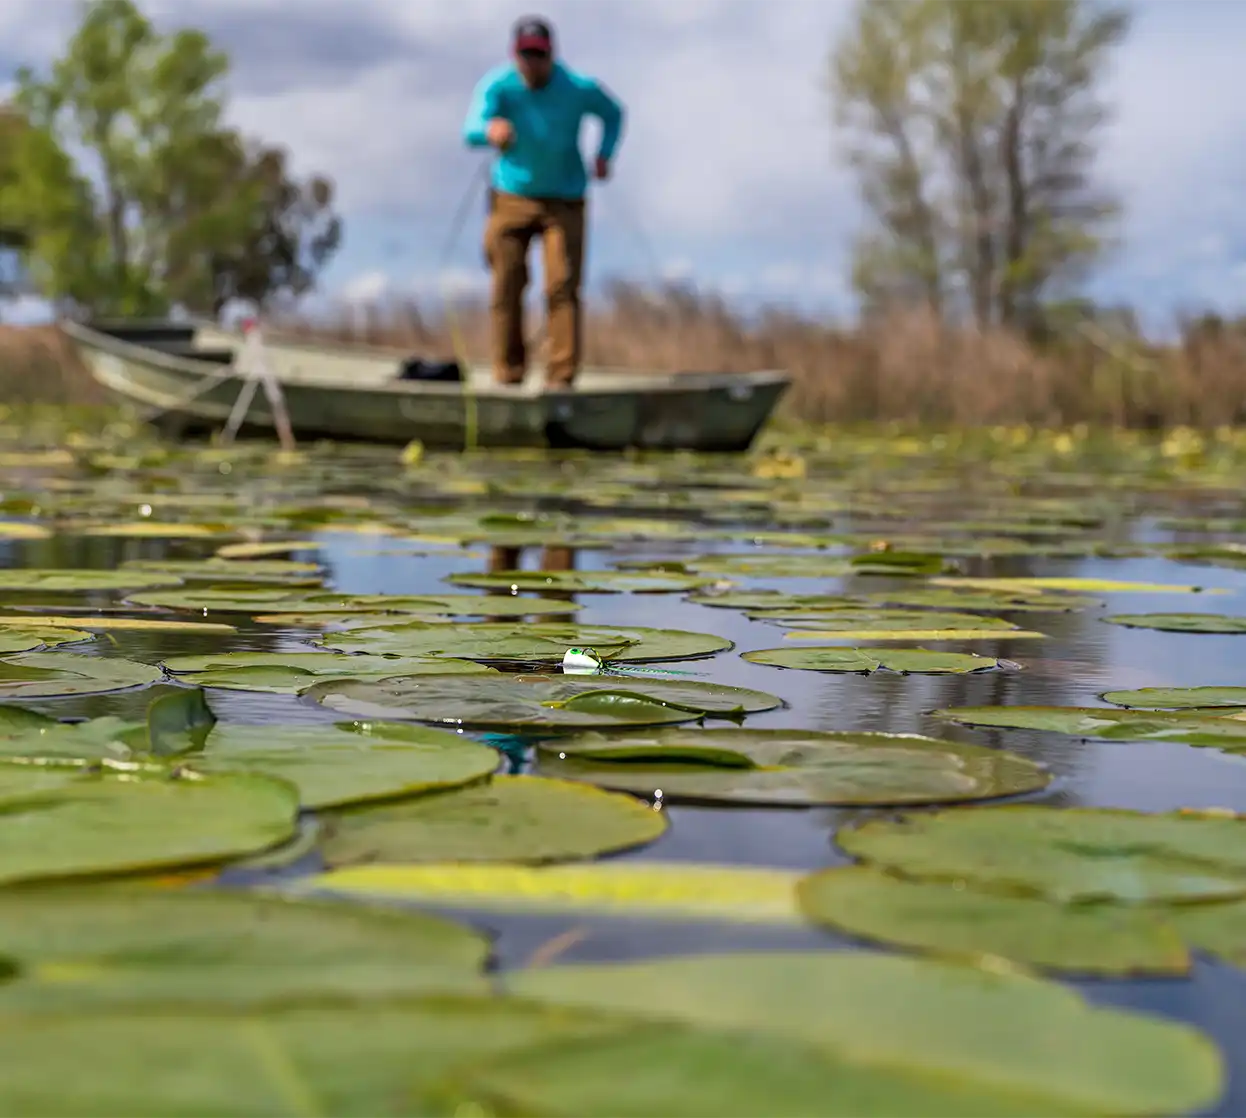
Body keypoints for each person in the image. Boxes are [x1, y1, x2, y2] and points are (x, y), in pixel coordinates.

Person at [462, 17, 625, 389]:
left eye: (539, 54)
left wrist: (604, 153)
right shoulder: (499, 86)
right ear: (514, 54)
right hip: (511, 197)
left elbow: (614, 114)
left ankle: (561, 379)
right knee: (506, 281)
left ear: (552, 54)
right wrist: (490, 131)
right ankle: (508, 373)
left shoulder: (578, 87)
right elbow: (470, 128)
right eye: (525, 54)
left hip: (564, 199)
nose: (532, 62)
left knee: (561, 286)